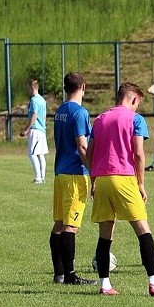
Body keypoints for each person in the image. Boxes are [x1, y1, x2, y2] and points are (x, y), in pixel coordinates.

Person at [88, 81, 154, 296]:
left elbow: (89, 152)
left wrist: (93, 180)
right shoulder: (135, 119)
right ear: (134, 99)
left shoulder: (100, 119)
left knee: (105, 236)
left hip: (102, 179)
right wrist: (141, 183)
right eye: (138, 103)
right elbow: (138, 154)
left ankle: (104, 285)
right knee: (143, 231)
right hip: (124, 178)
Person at [49, 72, 95, 285]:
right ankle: (70, 276)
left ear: (65, 88)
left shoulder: (60, 111)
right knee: (71, 226)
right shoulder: (79, 113)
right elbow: (82, 145)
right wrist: (93, 172)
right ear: (83, 87)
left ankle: (59, 274)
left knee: (59, 223)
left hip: (60, 174)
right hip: (76, 174)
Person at [20, 78, 49, 184]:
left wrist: (26, 129)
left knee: (32, 153)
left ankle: (38, 178)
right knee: (40, 154)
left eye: (28, 88)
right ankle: (43, 177)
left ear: (32, 88)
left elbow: (34, 115)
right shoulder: (42, 100)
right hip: (42, 130)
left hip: (35, 129)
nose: (27, 91)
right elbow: (44, 116)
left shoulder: (34, 100)